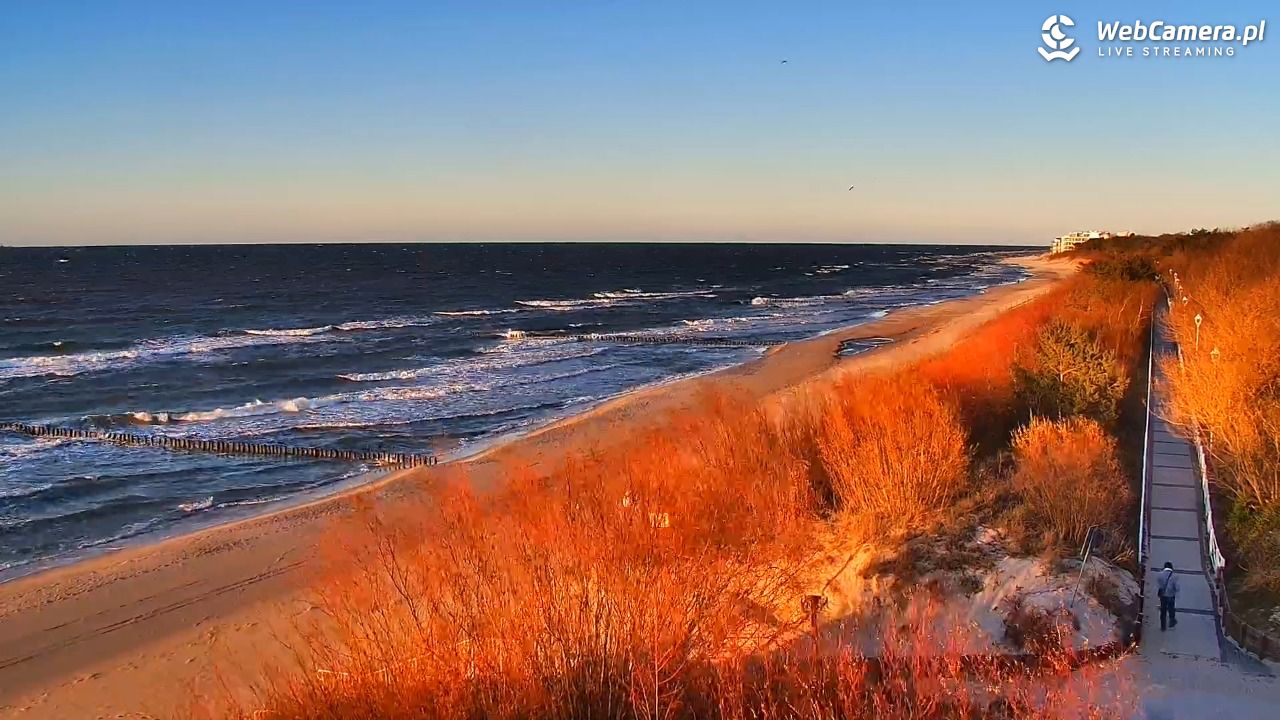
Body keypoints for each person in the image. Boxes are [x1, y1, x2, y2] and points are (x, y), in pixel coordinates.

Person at [1157, 561, 1180, 631]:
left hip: (1163, 595)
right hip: (1171, 595)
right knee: (1171, 608)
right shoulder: (1174, 576)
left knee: (1163, 610)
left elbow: (1158, 585)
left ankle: (1163, 626)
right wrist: (1175, 591)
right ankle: (1171, 621)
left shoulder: (1160, 575)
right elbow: (1177, 587)